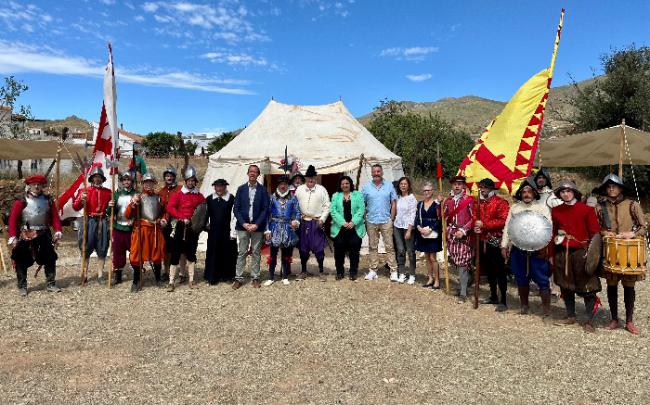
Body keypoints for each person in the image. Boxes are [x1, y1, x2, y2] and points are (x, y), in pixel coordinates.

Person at [595, 174, 647, 335]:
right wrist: (605, 233)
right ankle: (614, 318)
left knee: (629, 287)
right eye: (608, 187)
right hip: (610, 252)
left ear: (620, 188)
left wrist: (631, 234)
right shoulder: (599, 207)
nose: (611, 189)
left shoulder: (632, 205)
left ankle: (629, 321)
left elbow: (643, 227)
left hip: (629, 253)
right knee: (611, 286)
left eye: (614, 186)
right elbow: (596, 227)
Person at [551, 180, 601, 332]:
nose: (565, 194)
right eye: (562, 191)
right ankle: (570, 315)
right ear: (559, 194)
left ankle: (589, 320)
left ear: (574, 192)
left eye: (568, 191)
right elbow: (552, 233)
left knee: (587, 286)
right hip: (562, 252)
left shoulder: (586, 210)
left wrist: (591, 253)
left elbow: (595, 233)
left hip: (581, 252)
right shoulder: (556, 210)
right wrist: (551, 254)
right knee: (565, 285)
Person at [501, 177, 552, 317]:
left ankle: (546, 307)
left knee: (541, 278)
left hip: (538, 248)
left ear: (534, 193)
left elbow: (548, 227)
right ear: (521, 194)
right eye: (524, 191)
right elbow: (508, 228)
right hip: (519, 248)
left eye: (529, 191)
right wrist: (504, 246)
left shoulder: (542, 208)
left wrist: (545, 248)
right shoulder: (515, 208)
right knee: (521, 277)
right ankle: (524, 305)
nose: (527, 194)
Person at [8, 174, 63, 296]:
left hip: (44, 233)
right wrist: (12, 236)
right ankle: (22, 285)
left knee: (50, 258)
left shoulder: (48, 200)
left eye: (39, 184)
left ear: (42, 186)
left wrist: (58, 230)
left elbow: (54, 217)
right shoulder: (21, 201)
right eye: (34, 184)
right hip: (26, 234)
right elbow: (12, 220)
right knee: (21, 259)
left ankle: (51, 284)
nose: (37, 186)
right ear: (30, 185)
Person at [165, 165, 205, 291]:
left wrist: (200, 223)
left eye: (193, 180)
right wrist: (181, 217)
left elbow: (203, 209)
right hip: (180, 226)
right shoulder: (178, 194)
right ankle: (171, 281)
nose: (191, 182)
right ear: (185, 181)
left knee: (191, 253)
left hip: (192, 228)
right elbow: (170, 208)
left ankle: (191, 280)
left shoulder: (199, 195)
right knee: (176, 253)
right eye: (189, 180)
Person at [124, 173, 166, 292]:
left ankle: (158, 278)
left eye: (151, 182)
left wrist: (163, 219)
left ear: (154, 183)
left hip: (155, 230)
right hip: (141, 229)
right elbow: (127, 215)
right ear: (142, 184)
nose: (148, 184)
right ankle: (136, 280)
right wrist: (133, 204)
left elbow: (164, 212)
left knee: (157, 256)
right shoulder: (138, 197)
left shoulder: (158, 197)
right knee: (136, 257)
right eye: (146, 182)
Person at [473, 178, 510, 311]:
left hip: (495, 240)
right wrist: (476, 226)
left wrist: (485, 225)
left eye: (485, 188)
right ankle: (493, 296)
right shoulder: (477, 202)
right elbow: (474, 219)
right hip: (481, 241)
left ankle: (503, 300)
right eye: (481, 187)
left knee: (500, 271)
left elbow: (504, 220)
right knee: (489, 271)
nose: (483, 190)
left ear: (491, 189)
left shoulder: (501, 202)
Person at [233, 164, 270, 289]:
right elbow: (236, 209)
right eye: (251, 171)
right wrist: (244, 223)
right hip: (242, 225)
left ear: (258, 174)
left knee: (256, 252)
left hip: (257, 227)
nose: (253, 173)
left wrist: (257, 224)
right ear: (247, 173)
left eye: (255, 172)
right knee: (242, 252)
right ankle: (238, 278)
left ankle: (255, 277)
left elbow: (265, 209)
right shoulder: (241, 189)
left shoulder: (263, 190)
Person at [73, 166, 112, 283]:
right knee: (86, 247)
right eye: (95, 177)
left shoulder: (108, 192)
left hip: (102, 221)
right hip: (88, 221)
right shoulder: (84, 191)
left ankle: (100, 275)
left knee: (102, 247)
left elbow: (110, 211)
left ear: (102, 179)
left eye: (99, 177)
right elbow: (76, 207)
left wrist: (111, 206)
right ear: (91, 179)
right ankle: (84, 274)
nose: (97, 179)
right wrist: (81, 199)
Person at [361, 164, 397, 281]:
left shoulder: (389, 185)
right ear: (371, 173)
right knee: (372, 246)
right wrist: (364, 217)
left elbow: (394, 203)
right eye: (374, 172)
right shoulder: (366, 187)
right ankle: (373, 270)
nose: (376, 173)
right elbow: (362, 204)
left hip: (386, 220)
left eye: (378, 171)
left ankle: (393, 270)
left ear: (382, 172)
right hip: (371, 220)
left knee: (389, 246)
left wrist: (391, 218)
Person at [294, 165, 330, 279]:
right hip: (303, 222)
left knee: (319, 248)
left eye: (313, 177)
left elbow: (327, 206)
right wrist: (296, 219)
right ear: (306, 177)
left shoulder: (322, 189)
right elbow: (295, 206)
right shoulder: (299, 189)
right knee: (303, 248)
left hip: (316, 223)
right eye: (309, 177)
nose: (311, 179)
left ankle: (321, 271)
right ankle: (304, 271)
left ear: (316, 177)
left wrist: (322, 219)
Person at [264, 175, 301, 286]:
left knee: (286, 253)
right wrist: (267, 230)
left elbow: (298, 212)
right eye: (281, 184)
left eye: (285, 184)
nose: (283, 186)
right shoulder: (272, 198)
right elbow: (267, 214)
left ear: (287, 185)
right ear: (278, 185)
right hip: (274, 227)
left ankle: (285, 276)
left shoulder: (293, 198)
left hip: (287, 227)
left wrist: (296, 221)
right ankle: (271, 277)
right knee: (273, 253)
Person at [443, 175, 475, 302]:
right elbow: (443, 216)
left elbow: (474, 218)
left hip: (463, 235)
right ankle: (464, 284)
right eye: (455, 184)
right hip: (451, 234)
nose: (457, 186)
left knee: (462, 263)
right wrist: (440, 203)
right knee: (456, 261)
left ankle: (463, 293)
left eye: (459, 184)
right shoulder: (449, 201)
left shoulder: (469, 200)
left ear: (463, 186)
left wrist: (463, 230)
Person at [330, 176, 366, 281]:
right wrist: (343, 222)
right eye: (343, 184)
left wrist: (353, 222)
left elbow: (361, 209)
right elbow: (333, 211)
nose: (345, 185)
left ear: (350, 184)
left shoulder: (357, 195)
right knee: (339, 251)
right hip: (340, 228)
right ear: (340, 185)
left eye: (347, 183)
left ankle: (353, 272)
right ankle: (340, 272)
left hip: (355, 228)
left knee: (354, 251)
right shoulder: (336, 196)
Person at [204, 179, 237, 285]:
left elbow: (235, 213)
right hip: (213, 231)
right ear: (214, 187)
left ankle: (227, 276)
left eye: (221, 186)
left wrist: (234, 230)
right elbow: (205, 214)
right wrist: (205, 225)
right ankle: (212, 277)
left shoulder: (230, 198)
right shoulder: (209, 199)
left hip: (227, 230)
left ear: (225, 187)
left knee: (228, 253)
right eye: (217, 186)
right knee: (213, 253)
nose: (219, 188)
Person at [158, 166, 187, 282]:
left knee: (181, 248)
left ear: (174, 177)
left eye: (171, 176)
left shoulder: (181, 189)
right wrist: (162, 219)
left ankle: (182, 273)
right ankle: (166, 271)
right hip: (166, 223)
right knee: (167, 248)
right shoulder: (161, 191)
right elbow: (159, 209)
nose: (169, 178)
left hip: (179, 221)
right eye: (167, 176)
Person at [107, 172, 135, 285]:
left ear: (132, 182)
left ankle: (137, 274)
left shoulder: (136, 194)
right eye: (124, 180)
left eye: (129, 180)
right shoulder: (116, 195)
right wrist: (110, 206)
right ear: (122, 182)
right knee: (118, 252)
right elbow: (110, 213)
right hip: (118, 227)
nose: (126, 182)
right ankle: (118, 276)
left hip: (132, 229)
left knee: (134, 251)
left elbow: (140, 212)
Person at [414, 181, 443, 288]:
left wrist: (430, 229)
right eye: (424, 190)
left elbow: (439, 220)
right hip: (422, 232)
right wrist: (419, 228)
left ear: (432, 191)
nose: (426, 192)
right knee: (426, 256)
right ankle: (430, 278)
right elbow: (416, 218)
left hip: (433, 232)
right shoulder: (420, 204)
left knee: (433, 257)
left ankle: (437, 280)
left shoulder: (437, 204)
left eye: (428, 190)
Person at [393, 177, 418, 284]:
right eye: (401, 184)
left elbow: (413, 215)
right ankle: (402, 272)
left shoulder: (412, 198)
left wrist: (409, 230)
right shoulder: (397, 198)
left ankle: (412, 274)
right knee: (400, 250)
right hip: (397, 226)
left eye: (405, 184)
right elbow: (394, 211)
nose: (403, 185)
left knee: (411, 251)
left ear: (408, 186)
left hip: (408, 228)